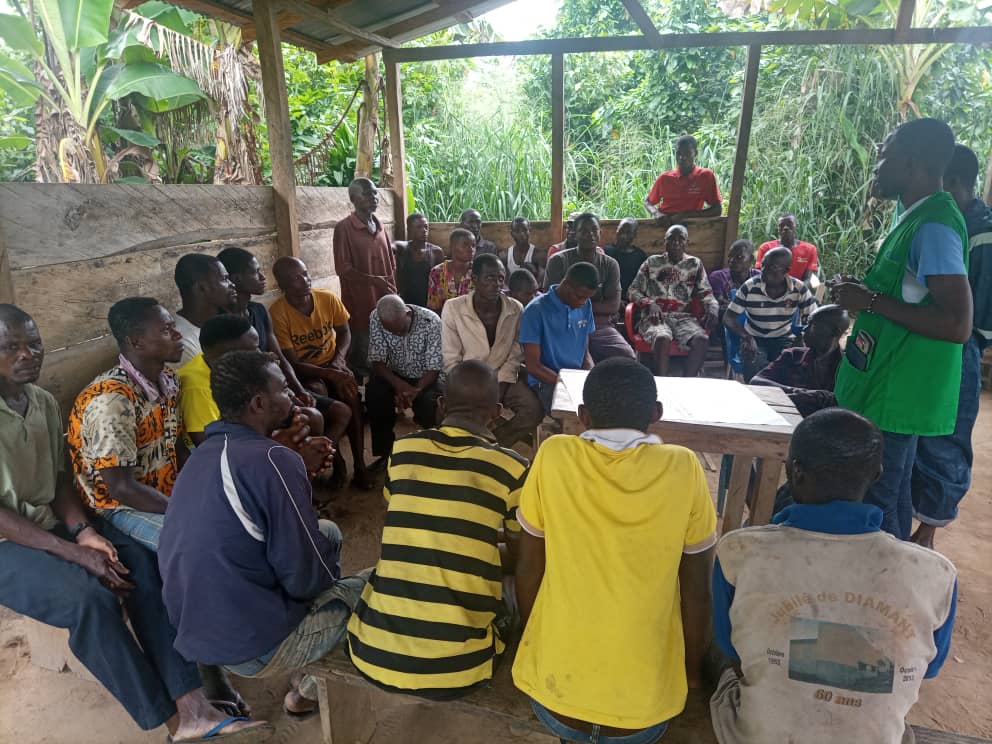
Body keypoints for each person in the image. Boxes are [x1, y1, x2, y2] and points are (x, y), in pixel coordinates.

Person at [0, 305, 270, 744]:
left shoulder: (41, 402)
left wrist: (84, 532)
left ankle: (193, 703)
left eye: (34, 344)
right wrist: (75, 550)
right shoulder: (111, 397)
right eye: (11, 347)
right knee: (88, 600)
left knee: (140, 571)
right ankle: (170, 720)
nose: (27, 354)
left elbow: (58, 482)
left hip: (53, 520)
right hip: (8, 540)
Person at [710, 408, 957, 744]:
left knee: (717, 654)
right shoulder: (935, 574)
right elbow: (929, 668)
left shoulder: (739, 551)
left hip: (760, 737)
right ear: (877, 475)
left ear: (794, 471)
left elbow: (732, 648)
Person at [513, 357, 717, 743]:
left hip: (556, 698)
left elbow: (527, 569)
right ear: (656, 414)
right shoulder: (684, 467)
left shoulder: (555, 455)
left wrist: (535, 638)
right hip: (642, 713)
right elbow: (698, 592)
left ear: (583, 416)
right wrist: (689, 672)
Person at [159, 350, 366, 719]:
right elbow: (302, 578)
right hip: (254, 647)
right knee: (374, 584)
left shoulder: (205, 454)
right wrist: (298, 475)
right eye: (283, 389)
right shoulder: (275, 461)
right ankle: (304, 688)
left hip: (203, 631)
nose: (292, 396)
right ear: (258, 403)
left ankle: (314, 637)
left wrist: (297, 473)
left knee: (328, 533)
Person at [347, 360, 529, 699]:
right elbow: (520, 555)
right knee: (516, 585)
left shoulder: (403, 451)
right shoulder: (513, 469)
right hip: (459, 670)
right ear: (496, 412)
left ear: (442, 404)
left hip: (370, 651)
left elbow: (417, 516)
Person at [832, 118, 972, 541]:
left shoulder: (934, 227)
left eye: (884, 158)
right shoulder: (912, 213)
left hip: (900, 394)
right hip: (887, 387)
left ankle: (881, 595)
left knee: (876, 506)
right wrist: (864, 294)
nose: (876, 166)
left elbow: (957, 323)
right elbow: (910, 294)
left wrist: (869, 302)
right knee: (889, 499)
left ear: (911, 165)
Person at [909, 143, 992, 549]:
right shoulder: (944, 223)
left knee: (946, 438)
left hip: (959, 349)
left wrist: (966, 341)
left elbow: (979, 317)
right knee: (918, 431)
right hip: (928, 341)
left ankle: (928, 531)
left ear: (953, 182)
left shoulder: (982, 233)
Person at [67, 297, 184, 552]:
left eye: (173, 327)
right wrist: (183, 509)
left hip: (163, 491)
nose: (177, 335)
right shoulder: (112, 401)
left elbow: (177, 447)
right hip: (116, 507)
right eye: (166, 330)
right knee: (190, 542)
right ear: (136, 341)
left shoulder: (169, 381)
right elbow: (120, 488)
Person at [269, 256, 371, 489]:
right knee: (317, 391)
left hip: (333, 362)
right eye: (296, 278)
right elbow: (292, 363)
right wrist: (331, 374)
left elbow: (345, 333)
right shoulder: (278, 313)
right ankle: (336, 460)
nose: (305, 280)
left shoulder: (327, 298)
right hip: (306, 371)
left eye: (305, 273)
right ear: (283, 285)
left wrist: (339, 362)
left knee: (351, 394)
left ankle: (360, 465)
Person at [177, 313, 329, 450]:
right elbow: (211, 447)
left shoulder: (224, 366)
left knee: (310, 417)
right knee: (297, 438)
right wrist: (277, 440)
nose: (260, 354)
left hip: (245, 429)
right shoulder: (196, 387)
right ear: (226, 353)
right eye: (253, 349)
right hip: (229, 449)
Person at [442, 254, 544, 447]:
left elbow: (516, 352)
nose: (496, 284)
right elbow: (451, 358)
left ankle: (493, 445)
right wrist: (470, 389)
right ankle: (459, 450)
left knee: (533, 410)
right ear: (474, 279)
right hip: (468, 380)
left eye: (500, 278)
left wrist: (502, 382)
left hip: (502, 378)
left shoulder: (515, 308)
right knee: (444, 410)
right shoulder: (453, 308)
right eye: (489, 278)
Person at [216, 246, 321, 406]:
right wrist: (288, 395)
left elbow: (280, 358)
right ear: (237, 279)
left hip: (278, 386)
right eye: (255, 272)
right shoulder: (224, 322)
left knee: (339, 411)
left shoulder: (259, 311)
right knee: (312, 417)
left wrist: (299, 391)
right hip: (256, 397)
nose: (263, 277)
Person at [628, 224, 719, 377]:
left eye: (680, 239)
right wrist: (650, 304)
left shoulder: (695, 264)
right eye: (671, 239)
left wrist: (713, 307)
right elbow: (632, 290)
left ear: (686, 242)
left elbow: (706, 292)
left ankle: (686, 382)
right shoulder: (652, 262)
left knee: (702, 340)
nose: (676, 243)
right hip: (655, 317)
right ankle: (662, 385)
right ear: (665, 242)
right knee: (662, 338)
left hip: (683, 317)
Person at [544, 212, 634, 363]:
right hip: (564, 323)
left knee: (627, 357)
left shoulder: (610, 264)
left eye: (594, 230)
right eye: (584, 231)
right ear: (574, 233)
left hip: (599, 325)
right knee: (566, 361)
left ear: (600, 233)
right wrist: (591, 307)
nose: (590, 235)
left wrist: (576, 305)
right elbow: (551, 301)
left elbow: (613, 306)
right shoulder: (558, 261)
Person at [365, 295, 443, 469]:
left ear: (407, 313)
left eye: (400, 329)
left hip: (425, 376)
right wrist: (398, 385)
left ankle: (433, 454)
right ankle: (386, 454)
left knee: (431, 405)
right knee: (375, 395)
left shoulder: (431, 321)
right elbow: (377, 360)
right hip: (394, 374)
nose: (398, 334)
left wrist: (416, 390)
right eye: (391, 331)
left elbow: (434, 366)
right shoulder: (377, 317)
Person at [333, 177, 397, 378]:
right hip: (360, 303)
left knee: (387, 352)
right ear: (353, 198)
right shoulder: (344, 228)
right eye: (367, 194)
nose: (374, 197)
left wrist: (391, 288)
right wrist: (374, 280)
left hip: (385, 299)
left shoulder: (380, 226)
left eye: (375, 193)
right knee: (363, 353)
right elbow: (343, 269)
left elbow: (390, 262)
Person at [724, 246, 817, 382]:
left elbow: (812, 318)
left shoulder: (799, 289)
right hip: (755, 337)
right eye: (763, 266)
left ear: (786, 271)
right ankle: (758, 397)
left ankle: (781, 399)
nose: (763, 271)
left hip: (784, 338)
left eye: (771, 267)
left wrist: (800, 337)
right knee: (755, 366)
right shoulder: (750, 287)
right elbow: (728, 317)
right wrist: (746, 337)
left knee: (793, 368)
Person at [520, 261, 598, 413]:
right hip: (547, 381)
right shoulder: (535, 311)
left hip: (574, 379)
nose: (583, 302)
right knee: (577, 413)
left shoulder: (586, 304)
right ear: (567, 285)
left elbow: (585, 352)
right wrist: (566, 383)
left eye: (587, 298)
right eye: (580, 296)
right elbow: (533, 366)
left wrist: (589, 375)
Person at [751, 304, 850, 417]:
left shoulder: (846, 369)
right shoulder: (793, 355)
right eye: (807, 323)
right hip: (785, 418)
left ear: (834, 332)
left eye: (813, 325)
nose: (804, 329)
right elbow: (756, 381)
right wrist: (798, 392)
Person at [172, 253, 238, 366]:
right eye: (225, 279)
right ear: (202, 288)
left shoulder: (218, 324)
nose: (232, 284)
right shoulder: (183, 343)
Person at [644, 134, 722, 227]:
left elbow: (717, 210)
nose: (682, 157)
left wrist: (685, 215)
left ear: (695, 153)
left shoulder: (705, 176)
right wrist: (656, 213)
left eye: (687, 153)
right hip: (664, 224)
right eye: (679, 153)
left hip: (692, 227)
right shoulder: (665, 178)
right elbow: (647, 202)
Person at [393, 213, 444, 307]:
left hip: (429, 301)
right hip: (406, 302)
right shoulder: (403, 248)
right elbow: (387, 246)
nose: (424, 230)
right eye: (418, 227)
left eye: (426, 227)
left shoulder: (436, 252)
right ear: (409, 230)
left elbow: (441, 281)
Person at [755, 214, 820, 283]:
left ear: (796, 226)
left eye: (790, 224)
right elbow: (760, 274)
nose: (785, 227)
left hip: (798, 290)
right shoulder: (766, 248)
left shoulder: (810, 249)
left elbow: (807, 279)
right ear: (778, 229)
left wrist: (797, 291)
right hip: (771, 289)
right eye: (781, 225)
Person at [427, 227, 476, 312]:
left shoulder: (478, 271)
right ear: (452, 247)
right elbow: (433, 307)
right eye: (465, 245)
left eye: (473, 245)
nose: (471, 249)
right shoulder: (437, 272)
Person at [709, 239, 760, 319]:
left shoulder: (759, 278)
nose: (732, 260)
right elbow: (717, 305)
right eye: (730, 256)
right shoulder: (718, 277)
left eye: (739, 257)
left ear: (751, 259)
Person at [604, 217, 647, 302]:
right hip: (608, 299)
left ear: (635, 235)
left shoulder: (640, 256)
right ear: (617, 230)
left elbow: (641, 285)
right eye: (621, 231)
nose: (623, 236)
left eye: (628, 233)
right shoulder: (606, 252)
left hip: (631, 301)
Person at [499, 216, 546, 285]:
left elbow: (539, 283)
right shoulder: (504, 256)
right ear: (512, 233)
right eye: (517, 231)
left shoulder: (539, 255)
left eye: (524, 230)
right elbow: (505, 283)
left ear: (529, 231)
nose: (521, 234)